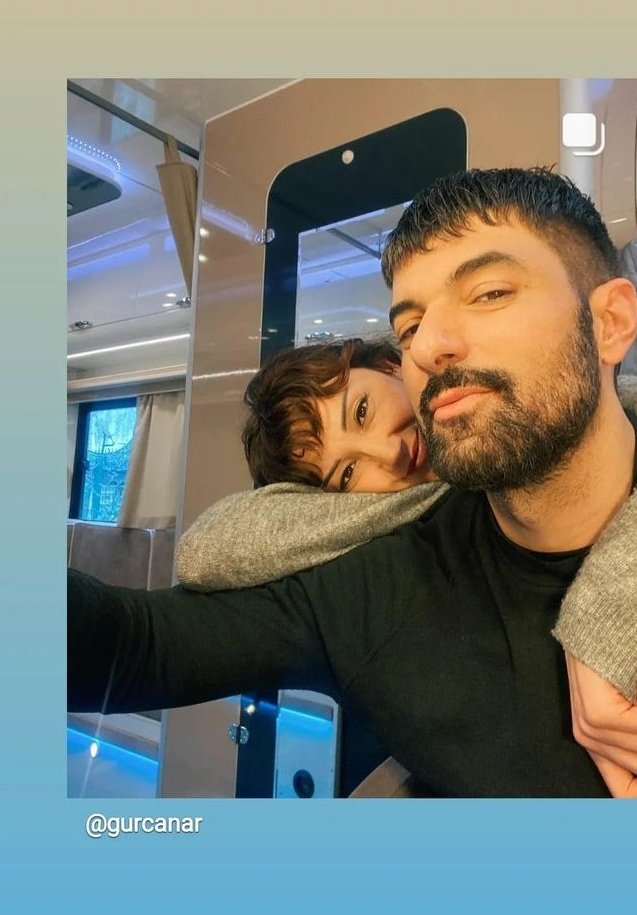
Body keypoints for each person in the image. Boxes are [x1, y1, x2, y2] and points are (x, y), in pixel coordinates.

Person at [69, 166, 637, 797]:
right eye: (410, 327)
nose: (431, 346)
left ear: (611, 321)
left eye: (489, 292)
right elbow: (134, 643)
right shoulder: (376, 587)